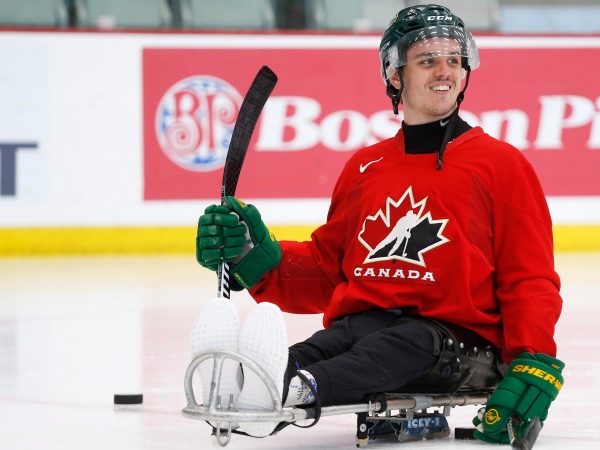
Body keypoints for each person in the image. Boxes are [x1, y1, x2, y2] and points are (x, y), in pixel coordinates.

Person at [193, 3, 564, 444]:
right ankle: (253, 382)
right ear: (394, 76)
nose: (444, 71)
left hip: (459, 342)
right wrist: (257, 259)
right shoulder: (366, 166)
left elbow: (529, 277)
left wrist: (531, 356)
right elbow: (333, 270)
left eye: (454, 60)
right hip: (370, 324)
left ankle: (295, 390)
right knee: (325, 345)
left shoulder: (502, 165)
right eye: (427, 60)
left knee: (389, 347)